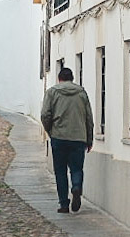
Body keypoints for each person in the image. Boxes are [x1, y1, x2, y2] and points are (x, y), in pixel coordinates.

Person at [40, 66, 93, 213]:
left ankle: (64, 204)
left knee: (60, 171)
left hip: (59, 137)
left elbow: (45, 114)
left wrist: (50, 130)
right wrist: (89, 139)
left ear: (59, 78)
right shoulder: (81, 93)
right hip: (78, 137)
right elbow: (89, 117)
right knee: (76, 169)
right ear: (72, 79)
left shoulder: (52, 92)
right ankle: (76, 187)